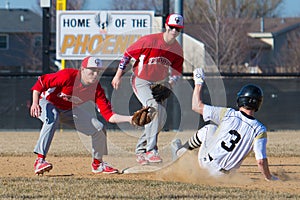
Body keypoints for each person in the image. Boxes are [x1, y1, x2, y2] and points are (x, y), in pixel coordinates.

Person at [30, 56, 134, 175]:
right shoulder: (68, 75)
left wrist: (130, 119)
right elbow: (41, 83)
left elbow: (109, 116)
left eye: (98, 71)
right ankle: (40, 160)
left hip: (68, 109)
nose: (95, 74)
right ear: (82, 69)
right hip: (46, 101)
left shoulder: (96, 89)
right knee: (53, 116)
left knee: (99, 128)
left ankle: (98, 164)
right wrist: (35, 103)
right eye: (92, 70)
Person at [171, 68, 279, 181]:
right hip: (225, 176)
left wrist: (198, 82)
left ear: (241, 99)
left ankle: (181, 152)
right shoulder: (260, 130)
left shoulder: (228, 114)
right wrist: (269, 177)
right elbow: (261, 161)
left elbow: (196, 106)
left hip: (206, 165)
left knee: (210, 128)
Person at [111, 14, 184, 165]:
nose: (174, 31)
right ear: (166, 26)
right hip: (141, 80)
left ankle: (140, 151)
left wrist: (171, 83)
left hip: (160, 83)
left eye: (177, 29)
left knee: (160, 119)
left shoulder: (177, 49)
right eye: (171, 27)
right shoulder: (150, 40)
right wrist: (118, 75)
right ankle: (151, 150)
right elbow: (127, 55)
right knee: (153, 107)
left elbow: (177, 71)